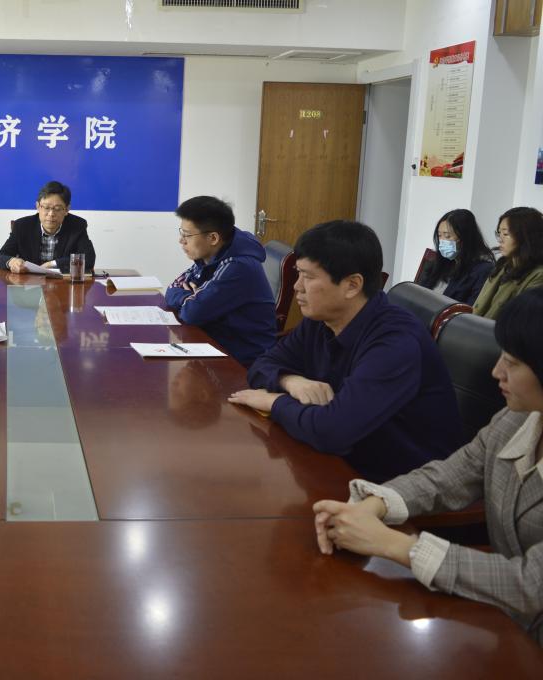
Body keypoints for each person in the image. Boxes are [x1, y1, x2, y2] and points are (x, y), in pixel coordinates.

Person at [312, 287, 543, 646]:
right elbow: (451, 475)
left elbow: (531, 585)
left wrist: (397, 546)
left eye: (512, 363)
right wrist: (374, 505)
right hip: (499, 619)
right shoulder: (515, 420)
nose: (497, 371)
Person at [229, 220, 462, 483]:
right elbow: (262, 365)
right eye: (298, 273)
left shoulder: (395, 342)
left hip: (401, 486)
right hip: (342, 463)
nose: (297, 286)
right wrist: (290, 381)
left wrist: (273, 402)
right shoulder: (322, 319)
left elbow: (332, 431)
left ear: (352, 285)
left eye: (308, 277)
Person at [163, 196, 276, 365]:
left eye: (187, 235)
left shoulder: (238, 266)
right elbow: (172, 289)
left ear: (213, 238)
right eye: (182, 233)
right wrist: (189, 297)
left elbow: (193, 313)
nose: (181, 241)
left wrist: (193, 299)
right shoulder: (209, 256)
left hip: (242, 360)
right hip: (213, 344)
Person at [0, 180, 96, 274]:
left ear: (66, 209)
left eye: (57, 209)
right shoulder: (22, 226)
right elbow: (1, 256)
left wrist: (53, 264)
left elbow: (88, 259)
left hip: (62, 283)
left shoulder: (77, 225)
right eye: (46, 207)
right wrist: (12, 261)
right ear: (38, 206)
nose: (51, 214)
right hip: (29, 283)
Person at [473, 207, 543, 319]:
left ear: (526, 236)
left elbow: (523, 320)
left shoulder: (539, 275)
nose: (500, 240)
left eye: (505, 234)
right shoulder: (503, 266)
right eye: (499, 233)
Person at [415, 208, 495, 304]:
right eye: (439, 235)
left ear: (465, 237)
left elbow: (471, 309)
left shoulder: (483, 270)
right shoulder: (440, 262)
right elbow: (418, 294)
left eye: (447, 236)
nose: (442, 241)